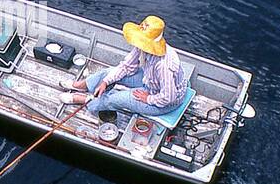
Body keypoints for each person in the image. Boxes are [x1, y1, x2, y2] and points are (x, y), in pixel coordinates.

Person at [59, 16, 188, 118]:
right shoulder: (143, 47)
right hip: (150, 81)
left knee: (118, 99)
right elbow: (126, 67)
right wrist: (106, 81)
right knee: (109, 73)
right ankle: (83, 85)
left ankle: (87, 100)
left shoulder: (163, 65)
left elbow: (168, 97)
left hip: (164, 101)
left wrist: (148, 98)